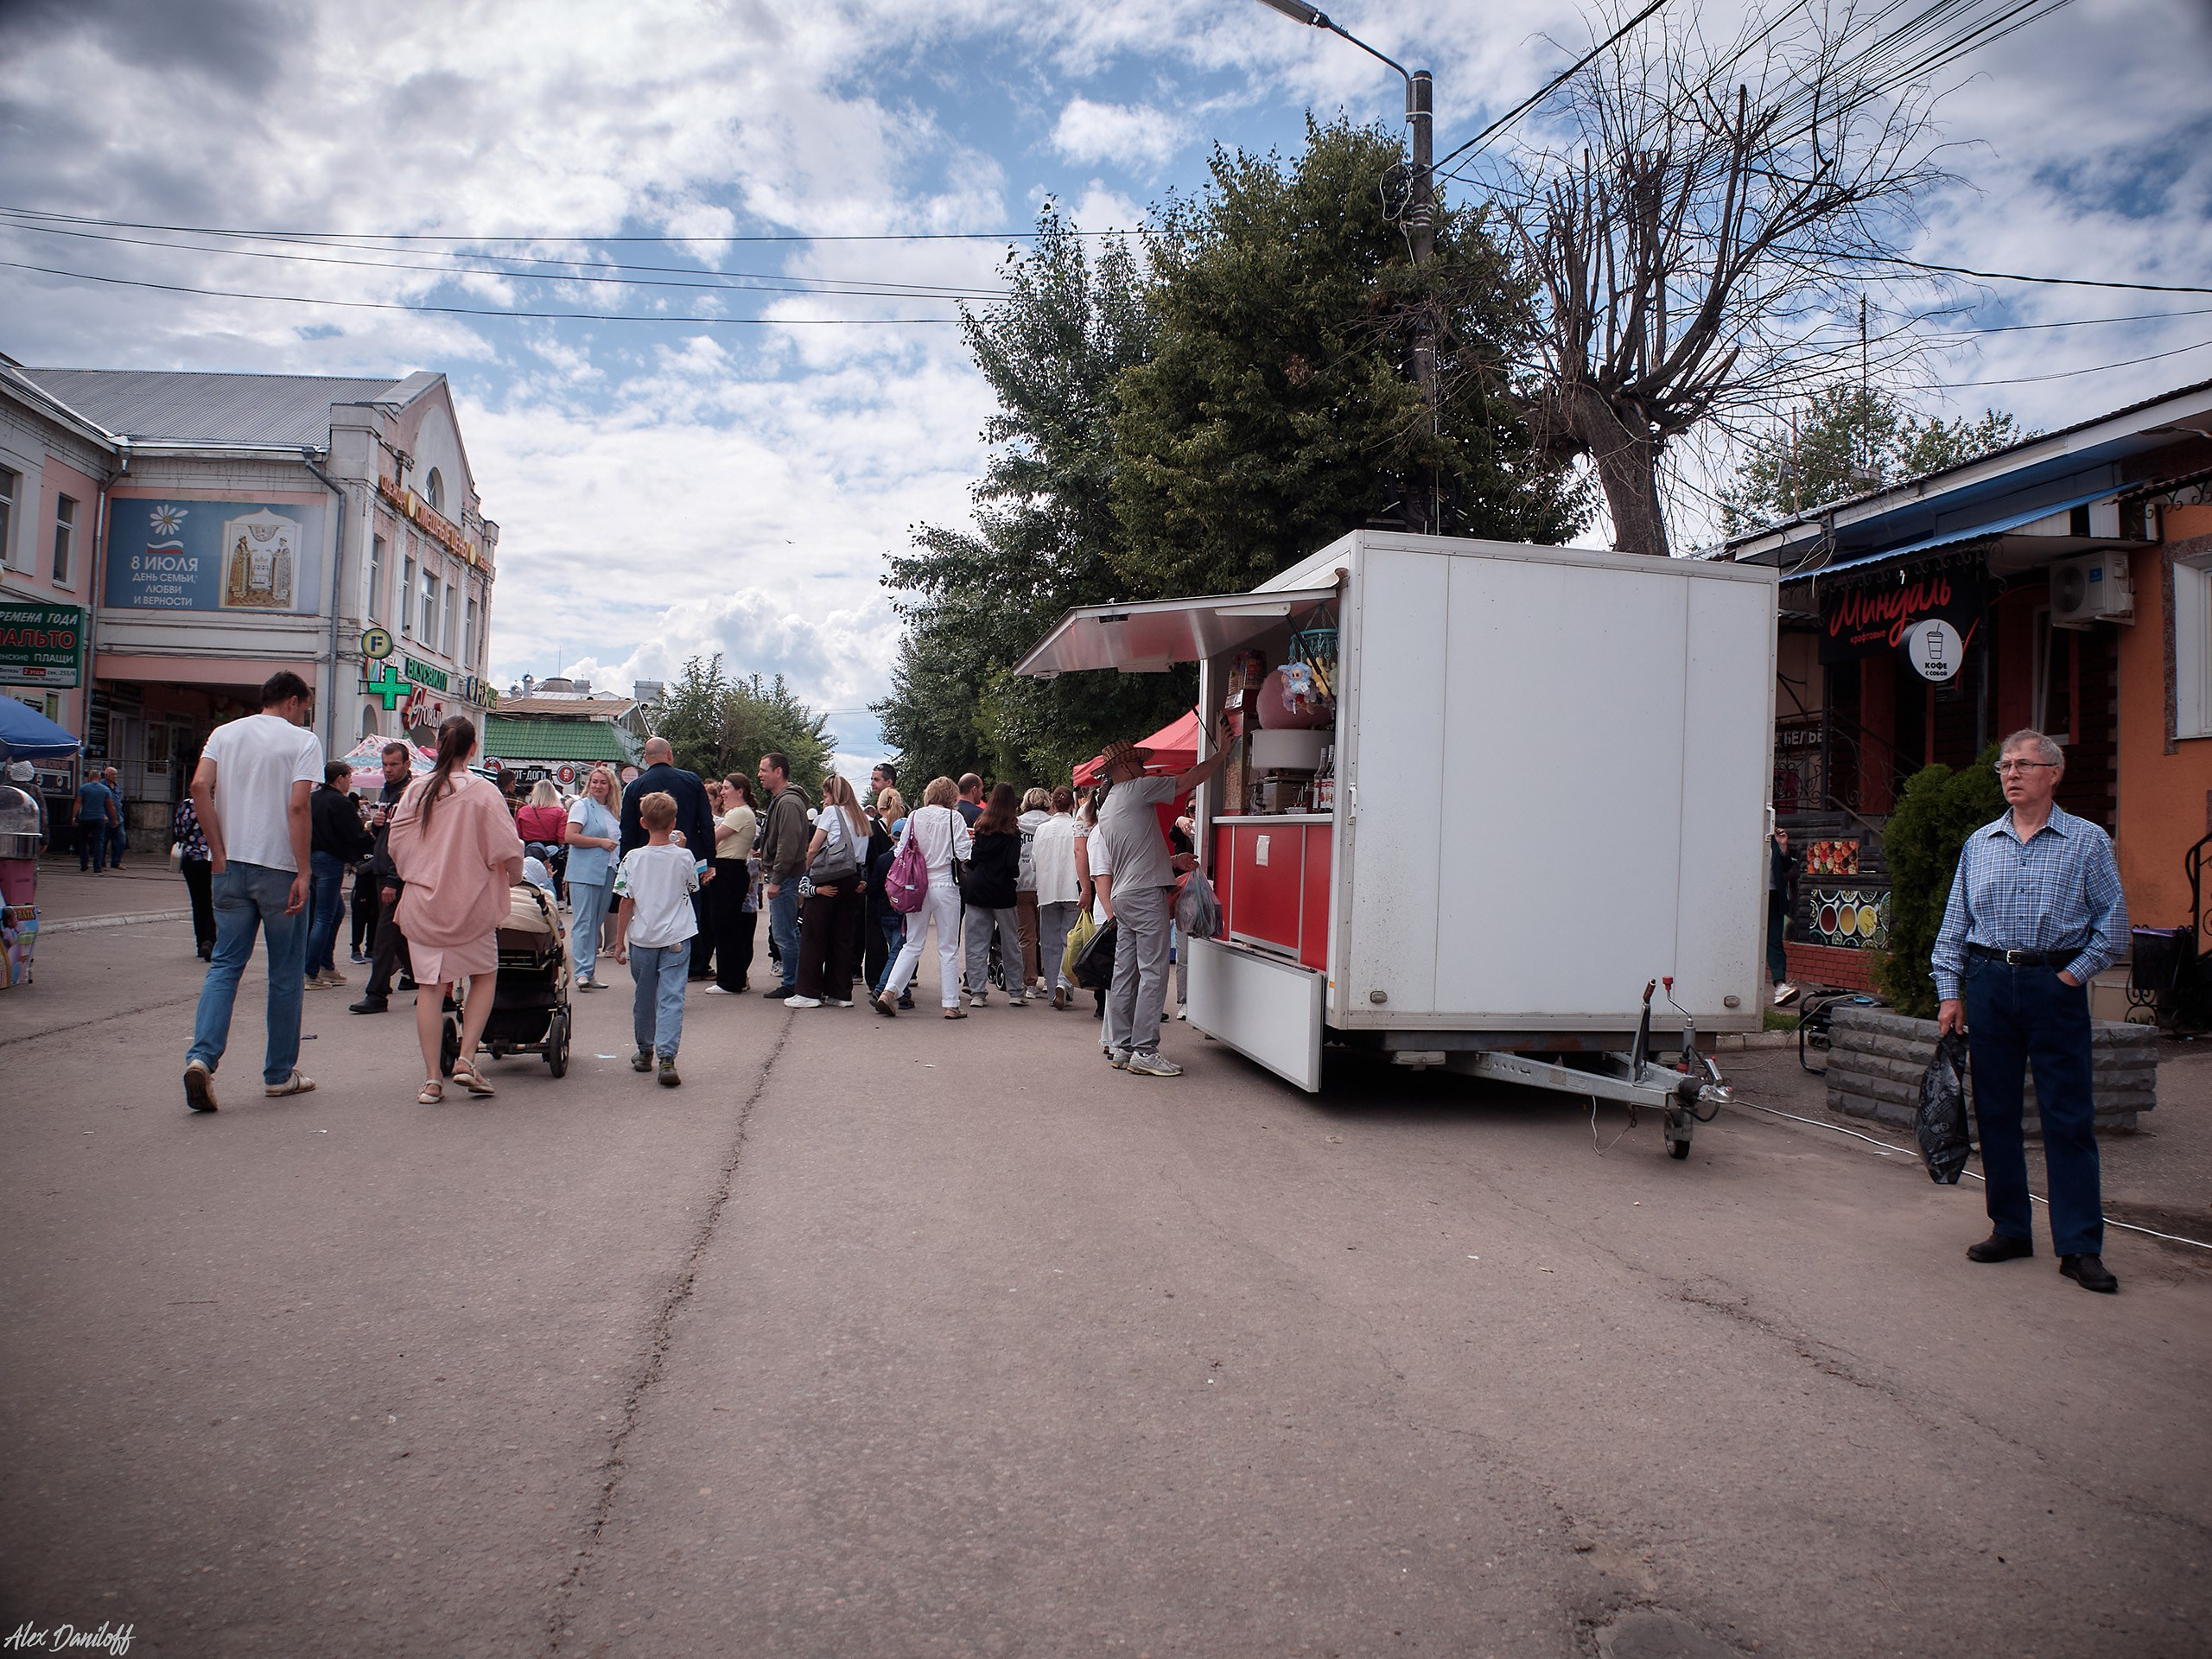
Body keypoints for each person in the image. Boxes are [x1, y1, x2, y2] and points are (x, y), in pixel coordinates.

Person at [1933, 728, 2130, 1294]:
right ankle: (2011, 1227)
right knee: (1995, 1113)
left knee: (2068, 1118)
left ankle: (2079, 1246)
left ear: (2053, 773)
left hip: (2054, 984)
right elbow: (1955, 928)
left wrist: (2071, 975)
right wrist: (1951, 992)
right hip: (1991, 983)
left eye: (2023, 764)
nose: (2011, 774)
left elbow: (2111, 927)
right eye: (2004, 765)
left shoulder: (2087, 842)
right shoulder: (1981, 843)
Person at [180, 671, 323, 1112]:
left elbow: (200, 786)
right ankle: (279, 1074)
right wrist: (303, 870)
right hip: (278, 868)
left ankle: (202, 1058)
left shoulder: (224, 733)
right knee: (284, 973)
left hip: (230, 867)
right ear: (294, 702)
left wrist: (217, 850)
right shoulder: (302, 741)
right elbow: (298, 805)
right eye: (304, 708)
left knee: (225, 965)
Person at [388, 716, 524, 1103]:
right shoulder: (484, 793)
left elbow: (396, 845)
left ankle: (432, 1080)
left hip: (423, 905)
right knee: (483, 976)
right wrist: (511, 878)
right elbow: (509, 849)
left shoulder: (416, 789)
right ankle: (466, 1058)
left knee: (430, 989)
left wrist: (420, 873)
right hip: (472, 904)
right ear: (473, 747)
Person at [1092, 727, 1229, 1077]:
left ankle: (1121, 1046)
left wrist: (1171, 862)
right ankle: (1145, 1051)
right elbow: (1188, 780)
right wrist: (1222, 754)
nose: (1142, 768)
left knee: (1125, 972)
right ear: (1123, 768)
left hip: (1124, 895)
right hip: (1144, 895)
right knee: (1153, 973)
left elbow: (1133, 853)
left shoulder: (1108, 806)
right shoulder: (1136, 789)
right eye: (1136, 763)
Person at [610, 790, 698, 1086]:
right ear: (673, 823)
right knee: (672, 996)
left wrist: (619, 941)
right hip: (676, 935)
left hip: (643, 937)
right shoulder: (684, 856)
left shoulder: (632, 859)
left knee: (644, 995)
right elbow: (693, 886)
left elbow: (625, 901)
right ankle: (668, 1057)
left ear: (643, 823)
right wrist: (682, 847)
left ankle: (644, 1050)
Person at [874, 777, 972, 1019]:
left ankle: (888, 992)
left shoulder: (915, 816)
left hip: (916, 885)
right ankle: (950, 1004)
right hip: (946, 885)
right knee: (948, 946)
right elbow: (963, 854)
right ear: (951, 796)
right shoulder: (954, 818)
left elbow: (900, 849)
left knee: (912, 943)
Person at [619, 736, 716, 979]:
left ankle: (652, 958)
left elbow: (628, 832)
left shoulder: (634, 788)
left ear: (645, 759)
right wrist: (709, 861)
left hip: (646, 858)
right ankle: (693, 964)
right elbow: (706, 823)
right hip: (687, 856)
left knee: (649, 908)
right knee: (690, 908)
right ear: (670, 754)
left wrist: (625, 863)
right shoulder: (692, 781)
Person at [787, 774, 869, 1009]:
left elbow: (814, 846)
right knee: (842, 938)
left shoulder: (832, 813)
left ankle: (808, 992)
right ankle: (840, 992)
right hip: (852, 880)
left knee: (813, 935)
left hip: (828, 878)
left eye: (825, 795)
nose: (824, 800)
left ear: (833, 794)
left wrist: (804, 869)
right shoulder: (862, 817)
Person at [349, 744, 418, 1015]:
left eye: (393, 765)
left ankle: (377, 993)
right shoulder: (388, 792)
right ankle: (423, 978)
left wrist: (393, 878)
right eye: (385, 764)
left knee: (385, 936)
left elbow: (406, 841)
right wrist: (377, 826)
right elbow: (387, 837)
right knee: (397, 934)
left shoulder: (409, 793)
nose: (388, 770)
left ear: (406, 764)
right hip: (383, 870)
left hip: (395, 874)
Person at [307, 760, 372, 988]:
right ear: (340, 778)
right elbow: (353, 834)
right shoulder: (340, 803)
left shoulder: (313, 798)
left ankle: (325, 965)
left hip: (312, 858)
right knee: (324, 916)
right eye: (349, 776)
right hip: (330, 860)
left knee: (335, 912)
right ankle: (310, 971)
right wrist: (370, 834)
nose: (351, 781)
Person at [961, 782, 1027, 1009]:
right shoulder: (1013, 832)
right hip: (1003, 892)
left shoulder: (981, 828)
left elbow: (974, 860)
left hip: (978, 890)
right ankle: (1016, 992)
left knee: (976, 942)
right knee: (1010, 942)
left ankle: (978, 992)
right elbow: (1011, 864)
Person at [755, 751, 811, 1000]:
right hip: (786, 875)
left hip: (786, 878)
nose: (759, 775)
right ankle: (798, 980)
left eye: (763, 770)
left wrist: (776, 879)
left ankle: (793, 983)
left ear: (778, 772)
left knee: (785, 933)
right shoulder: (783, 800)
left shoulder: (787, 803)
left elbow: (788, 845)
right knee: (787, 932)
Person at [563, 766, 622, 989]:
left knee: (595, 921)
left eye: (603, 783)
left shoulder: (613, 810)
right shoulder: (581, 806)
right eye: (595, 782)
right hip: (584, 871)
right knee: (584, 922)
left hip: (607, 870)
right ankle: (581, 972)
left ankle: (589, 971)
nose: (598, 786)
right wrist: (600, 842)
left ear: (610, 787)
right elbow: (570, 836)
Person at [706, 773, 760, 995]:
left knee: (725, 926)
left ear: (740, 791)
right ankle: (734, 977)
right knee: (728, 926)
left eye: (727, 788)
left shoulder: (739, 813)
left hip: (729, 869)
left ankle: (729, 980)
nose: (722, 793)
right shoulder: (739, 813)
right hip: (731, 870)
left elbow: (713, 838)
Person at [1030, 786, 1082, 1010]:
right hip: (1073, 891)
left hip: (1048, 892)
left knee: (1049, 943)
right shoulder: (1077, 827)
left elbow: (1033, 863)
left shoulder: (1042, 830)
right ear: (1072, 805)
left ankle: (1053, 990)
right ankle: (1064, 982)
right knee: (1069, 941)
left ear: (1052, 804)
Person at [865, 787, 908, 1001]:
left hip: (882, 901)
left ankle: (879, 983)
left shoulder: (873, 831)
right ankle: (900, 987)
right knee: (901, 947)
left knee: (884, 945)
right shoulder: (909, 853)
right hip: (904, 905)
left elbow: (868, 864)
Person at [173, 790, 216, 961]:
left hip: (189, 858)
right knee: (212, 900)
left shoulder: (185, 805)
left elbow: (178, 830)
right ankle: (212, 941)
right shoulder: (214, 806)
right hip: (210, 859)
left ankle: (201, 943)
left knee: (198, 902)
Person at [1015, 786, 1051, 995]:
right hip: (1045, 884)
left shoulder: (1017, 824)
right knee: (1047, 934)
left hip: (1021, 884)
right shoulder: (1051, 823)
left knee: (1026, 937)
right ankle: (1050, 978)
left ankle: (1029, 983)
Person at [515, 779, 569, 899]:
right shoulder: (559, 812)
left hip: (529, 848)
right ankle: (556, 899)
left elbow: (518, 834)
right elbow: (562, 837)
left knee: (529, 874)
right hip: (551, 849)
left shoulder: (523, 811)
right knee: (552, 875)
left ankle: (530, 897)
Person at [348, 792, 381, 965]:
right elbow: (359, 868)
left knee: (375, 917)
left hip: (376, 886)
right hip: (362, 886)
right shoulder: (362, 844)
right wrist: (376, 862)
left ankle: (370, 948)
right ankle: (355, 949)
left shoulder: (381, 845)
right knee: (359, 917)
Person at [1768, 828, 1798, 1006]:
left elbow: (1787, 866)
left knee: (1775, 941)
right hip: (1750, 895)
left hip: (1773, 896)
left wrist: (1783, 846)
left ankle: (1780, 986)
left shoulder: (1772, 839)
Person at [73, 766, 118, 873]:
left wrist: (73, 816)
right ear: (99, 777)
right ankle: (97, 867)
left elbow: (78, 802)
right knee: (98, 842)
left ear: (90, 777)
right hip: (99, 819)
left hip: (85, 818)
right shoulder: (105, 789)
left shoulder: (83, 788)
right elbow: (110, 806)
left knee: (83, 842)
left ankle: (84, 865)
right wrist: (114, 819)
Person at [101, 766, 129, 868]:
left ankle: (116, 862)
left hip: (118, 818)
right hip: (106, 818)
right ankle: (101, 862)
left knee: (121, 840)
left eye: (115, 774)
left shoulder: (116, 786)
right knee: (103, 841)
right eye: (112, 774)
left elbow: (118, 802)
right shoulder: (102, 786)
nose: (115, 776)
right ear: (106, 775)